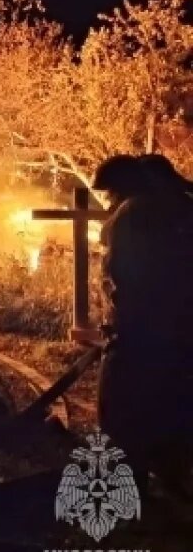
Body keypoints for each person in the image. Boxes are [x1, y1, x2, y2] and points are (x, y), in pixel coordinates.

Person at [94, 154, 193, 497]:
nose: (108, 201)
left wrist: (119, 322)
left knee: (120, 405)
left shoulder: (130, 215)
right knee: (172, 403)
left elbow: (119, 278)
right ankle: (172, 476)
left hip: (137, 330)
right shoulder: (182, 207)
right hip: (180, 331)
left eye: (109, 194)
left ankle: (127, 485)